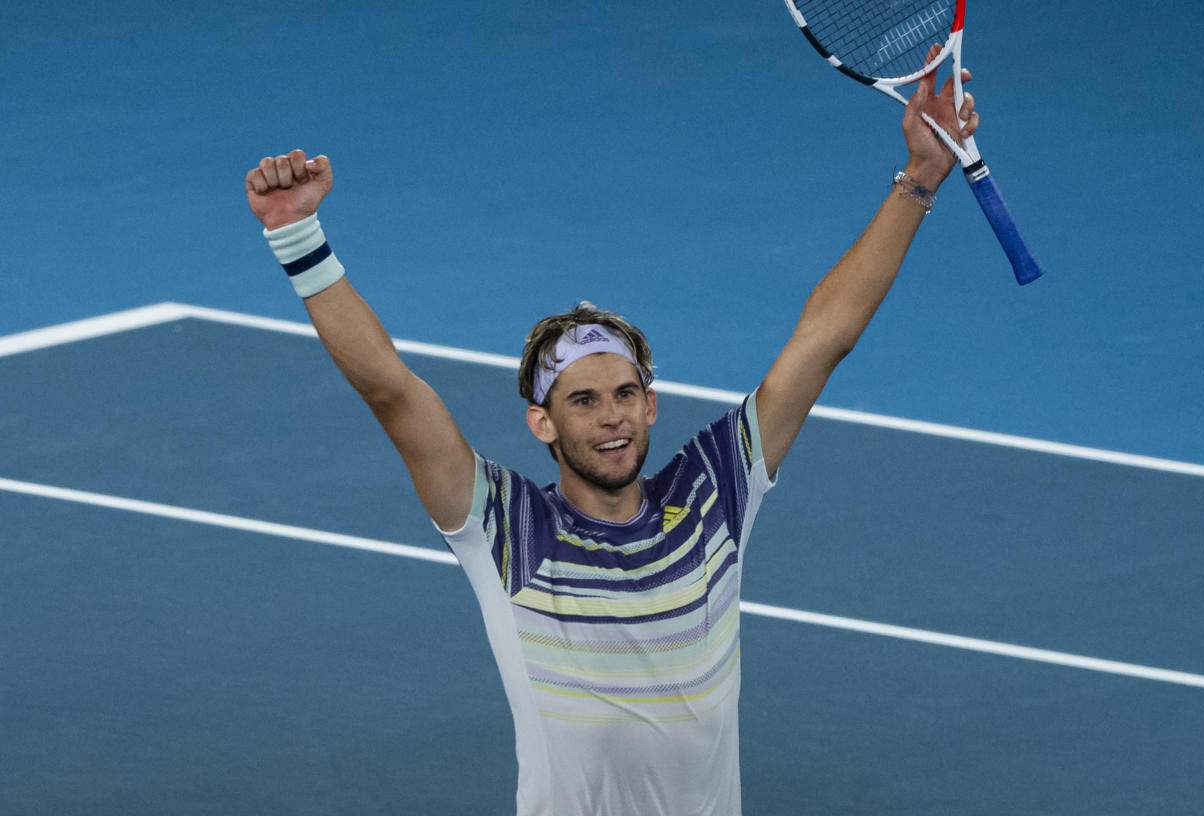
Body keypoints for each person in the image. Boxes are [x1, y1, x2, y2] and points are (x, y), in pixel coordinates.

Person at [245, 51, 978, 816]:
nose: (613, 415)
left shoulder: (713, 496)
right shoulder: (505, 530)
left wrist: (919, 180)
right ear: (543, 423)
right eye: (585, 400)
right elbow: (390, 390)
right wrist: (299, 239)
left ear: (651, 404)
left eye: (627, 393)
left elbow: (824, 339)